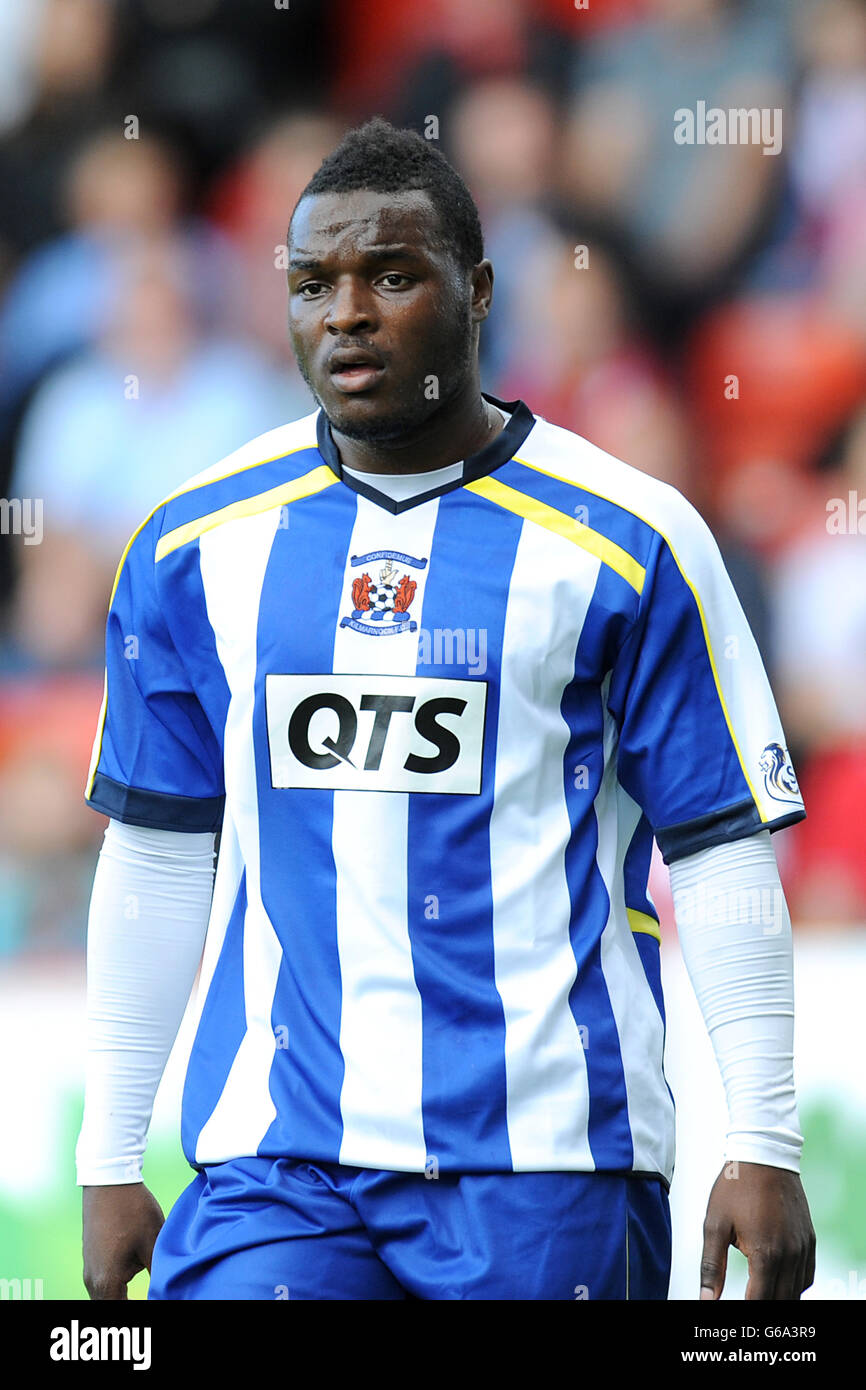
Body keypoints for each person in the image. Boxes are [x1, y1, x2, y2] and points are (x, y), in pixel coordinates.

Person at [77, 117, 815, 1301]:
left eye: (390, 274)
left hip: (548, 1163)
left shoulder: (633, 540)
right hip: (278, 1164)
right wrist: (111, 1152)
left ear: (476, 292)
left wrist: (763, 1140)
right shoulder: (193, 544)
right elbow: (160, 851)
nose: (347, 313)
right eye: (313, 282)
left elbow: (721, 849)